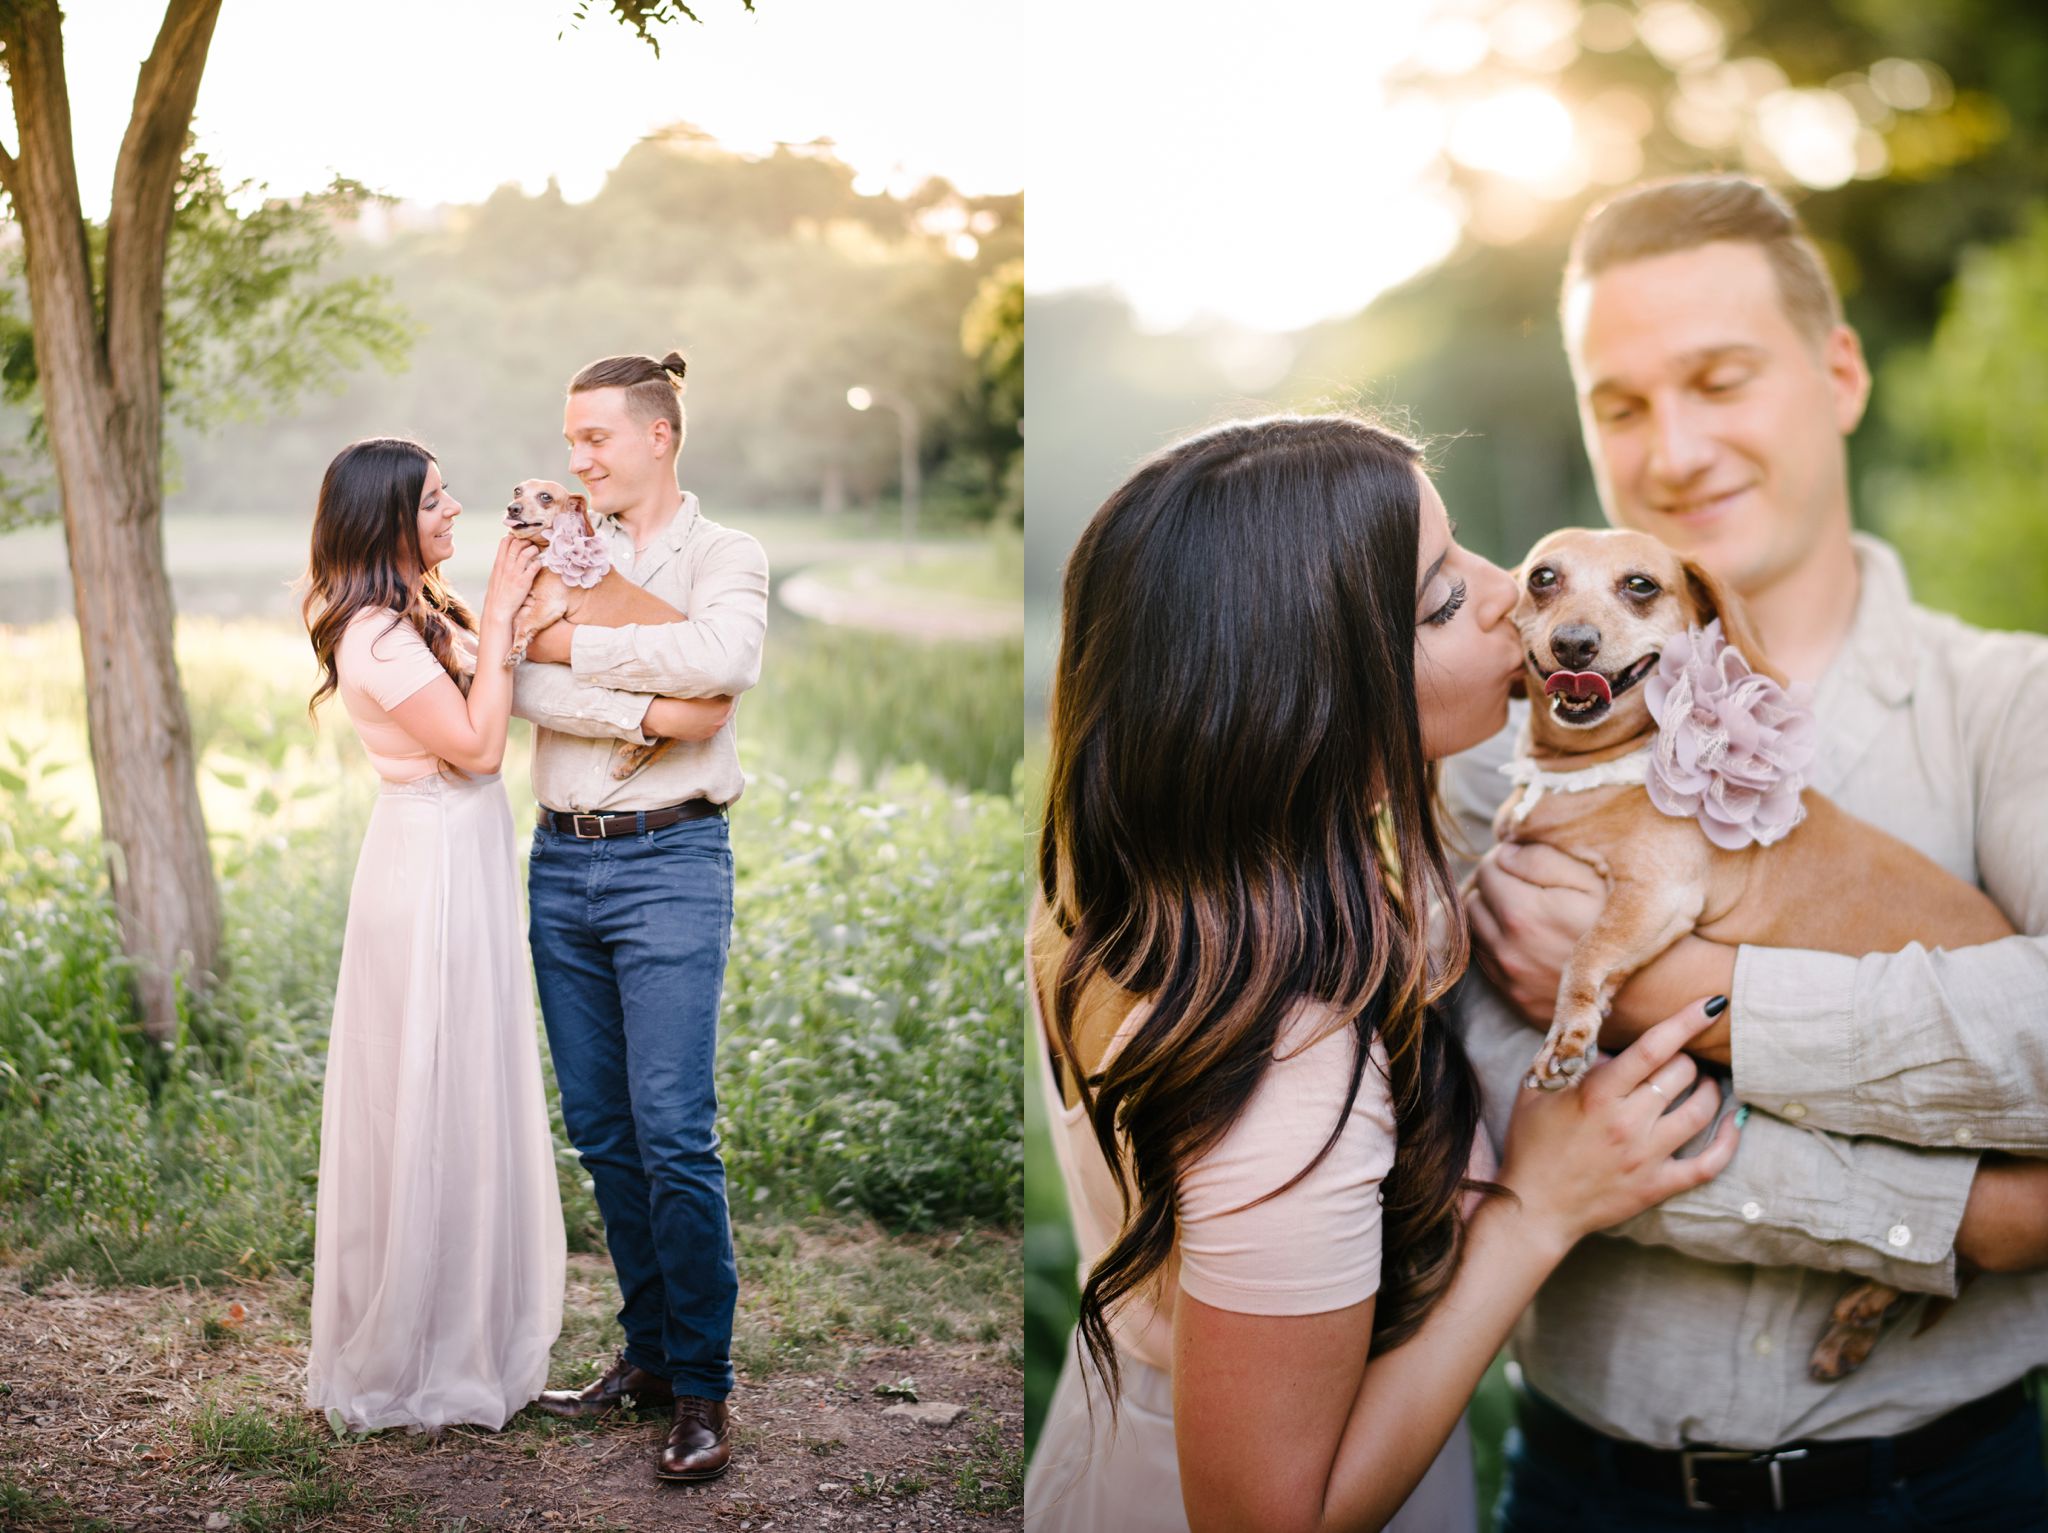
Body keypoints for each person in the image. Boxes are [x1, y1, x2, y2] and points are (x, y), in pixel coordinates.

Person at [1452, 176, 2048, 1529]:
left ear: (1840, 371)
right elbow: (1503, 1120)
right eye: (1620, 404)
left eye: (1719, 379)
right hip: (1584, 1494)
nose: (1672, 449)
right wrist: (1984, 1217)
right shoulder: (1496, 762)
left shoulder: (2018, 705)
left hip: (1954, 1493)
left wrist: (1679, 997)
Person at [1024, 413, 1742, 1533]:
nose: (1511, 590)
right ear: (1305, 694)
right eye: (1445, 598)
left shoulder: (1144, 888)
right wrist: (1539, 1210)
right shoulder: (1284, 1068)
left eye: (1461, 552)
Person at [512, 351, 770, 1485]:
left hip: (671, 860)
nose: (575, 461)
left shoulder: (727, 556)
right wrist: (653, 700)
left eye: (594, 439)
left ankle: (704, 1387)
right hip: (559, 867)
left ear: (657, 435)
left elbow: (726, 669)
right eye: (569, 440)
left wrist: (568, 643)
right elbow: (516, 683)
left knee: (673, 1131)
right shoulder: (545, 548)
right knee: (604, 1131)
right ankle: (650, 1356)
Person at [300, 437, 563, 1433]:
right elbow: (481, 748)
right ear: (385, 525)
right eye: (434, 503)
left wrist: (521, 606)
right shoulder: (375, 637)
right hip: (432, 870)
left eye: (450, 496)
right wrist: (496, 616)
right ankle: (418, 1351)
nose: (455, 513)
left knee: (467, 1080)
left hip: (464, 858)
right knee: (430, 1083)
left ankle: (471, 1327)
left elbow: (503, 681)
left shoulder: (422, 615)